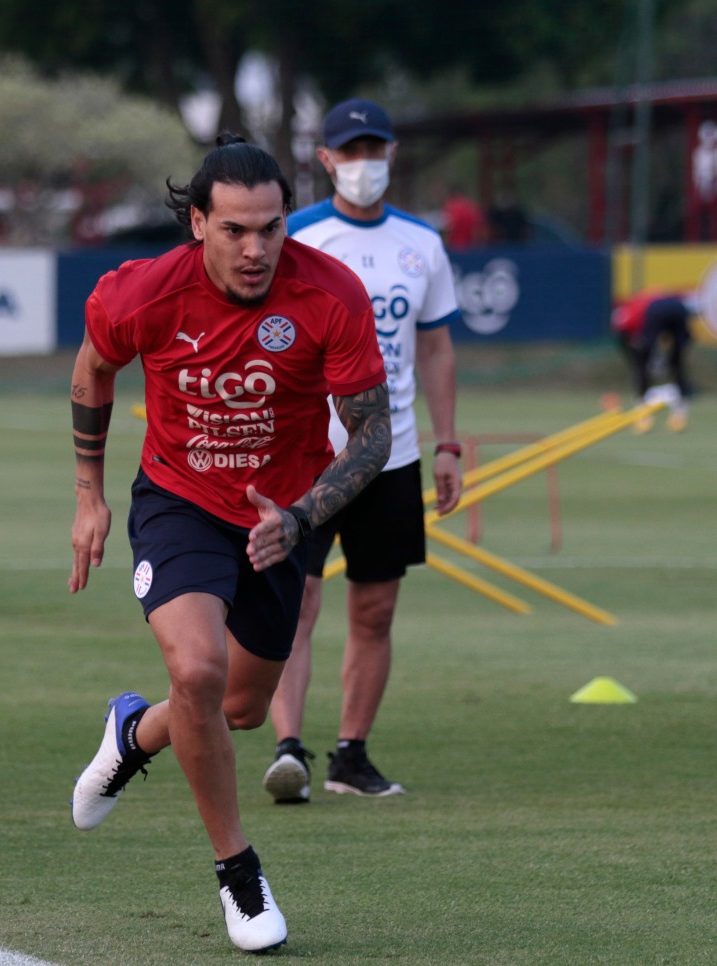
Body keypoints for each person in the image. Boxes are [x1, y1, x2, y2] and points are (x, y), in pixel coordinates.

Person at [68, 134, 392, 953]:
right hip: (179, 501)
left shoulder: (332, 294)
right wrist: (88, 494)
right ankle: (239, 875)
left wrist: (302, 516)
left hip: (282, 517)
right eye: (235, 231)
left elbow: (371, 437)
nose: (256, 249)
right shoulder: (143, 291)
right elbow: (92, 370)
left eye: (272, 229)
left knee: (239, 708)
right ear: (198, 224)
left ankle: (132, 734)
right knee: (199, 671)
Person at [261, 98, 462, 805]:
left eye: (374, 149)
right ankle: (290, 751)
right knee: (298, 601)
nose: (363, 164)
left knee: (375, 609)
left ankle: (351, 754)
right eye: (350, 151)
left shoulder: (422, 244)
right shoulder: (298, 238)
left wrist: (448, 444)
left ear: (392, 153)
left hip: (395, 454)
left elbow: (435, 347)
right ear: (325, 160)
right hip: (308, 454)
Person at [611, 288, 695, 432]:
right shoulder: (645, 299)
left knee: (642, 364)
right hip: (679, 307)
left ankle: (644, 415)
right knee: (677, 362)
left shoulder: (627, 313)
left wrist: (636, 360)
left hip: (657, 310)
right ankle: (680, 414)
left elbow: (624, 338)